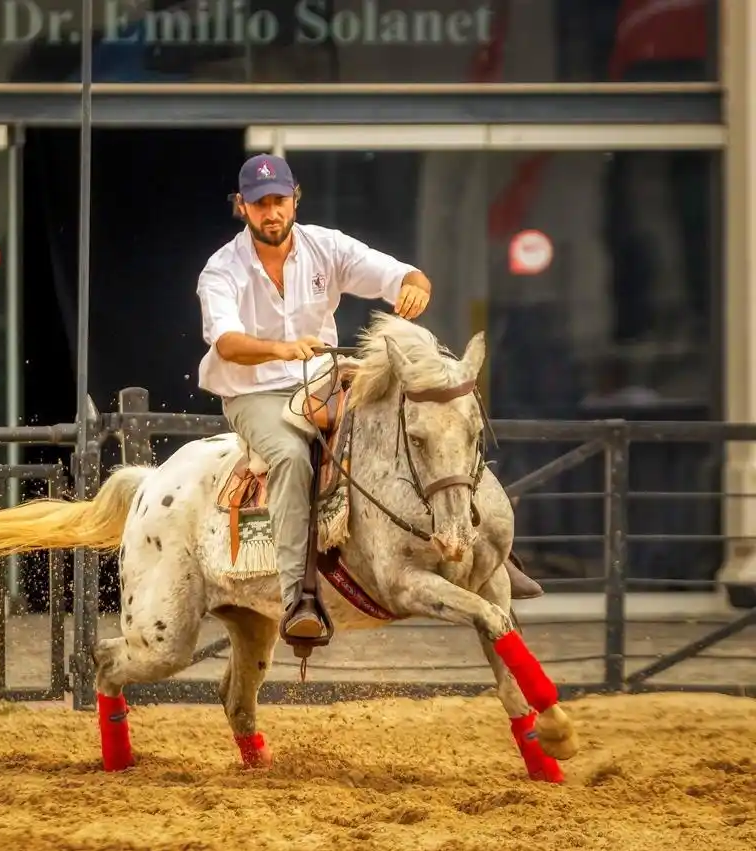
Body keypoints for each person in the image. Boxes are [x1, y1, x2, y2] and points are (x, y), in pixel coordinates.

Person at [195, 154, 539, 644]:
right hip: (255, 391)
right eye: (260, 204)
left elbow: (403, 275)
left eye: (279, 201)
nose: (272, 212)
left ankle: (490, 553)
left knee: (416, 415)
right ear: (242, 208)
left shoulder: (326, 247)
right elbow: (226, 343)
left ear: (295, 199)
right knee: (292, 457)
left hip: (324, 376)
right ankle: (298, 597)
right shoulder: (221, 269)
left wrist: (413, 288)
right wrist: (279, 348)